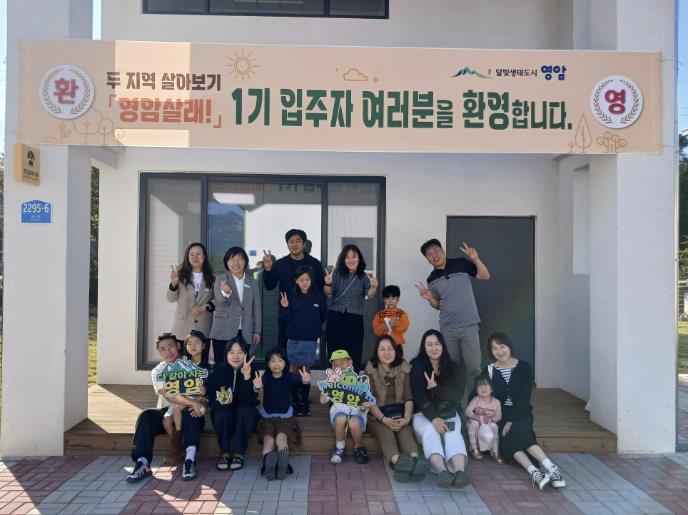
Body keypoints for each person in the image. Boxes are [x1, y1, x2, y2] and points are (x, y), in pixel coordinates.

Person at [483, 332, 566, 490]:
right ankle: (535, 473)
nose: (499, 351)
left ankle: (551, 468)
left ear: (509, 347)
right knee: (509, 439)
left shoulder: (524, 367)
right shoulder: (489, 370)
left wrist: (511, 420)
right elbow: (478, 392)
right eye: (494, 348)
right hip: (500, 415)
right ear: (491, 352)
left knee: (518, 430)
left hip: (521, 412)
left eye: (502, 346)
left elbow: (524, 399)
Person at [416, 239, 490, 404]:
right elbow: (438, 305)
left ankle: (476, 402)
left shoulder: (461, 264)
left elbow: (485, 276)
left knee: (473, 367)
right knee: (451, 367)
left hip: (469, 325)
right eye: (429, 254)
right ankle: (454, 403)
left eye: (436, 250)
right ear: (427, 259)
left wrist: (475, 259)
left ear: (442, 250)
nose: (434, 255)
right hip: (448, 328)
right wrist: (429, 298)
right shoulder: (431, 279)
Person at [125, 333, 207, 483]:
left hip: (189, 412)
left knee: (191, 412)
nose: (168, 352)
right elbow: (169, 394)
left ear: (178, 346)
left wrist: (196, 402)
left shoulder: (191, 364)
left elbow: (202, 391)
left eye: (171, 347)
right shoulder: (158, 371)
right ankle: (142, 463)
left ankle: (189, 460)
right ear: (159, 352)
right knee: (146, 415)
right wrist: (192, 402)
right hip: (167, 412)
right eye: (162, 349)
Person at [364, 336, 429, 482]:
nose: (386, 353)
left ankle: (415, 462)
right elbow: (369, 400)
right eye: (382, 349)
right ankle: (399, 462)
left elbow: (408, 397)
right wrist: (384, 419)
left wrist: (406, 418)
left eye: (390, 349)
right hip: (377, 415)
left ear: (396, 350)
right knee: (386, 434)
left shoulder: (404, 368)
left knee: (405, 433)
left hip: (400, 412)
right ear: (376, 352)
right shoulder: (370, 370)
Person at [410, 329, 470, 488]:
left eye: (437, 344)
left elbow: (457, 395)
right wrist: (434, 418)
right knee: (430, 430)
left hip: (448, 412)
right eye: (429, 344)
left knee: (452, 432)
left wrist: (437, 388)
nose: (433, 348)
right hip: (423, 413)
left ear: (443, 345)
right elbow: (419, 395)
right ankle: (442, 471)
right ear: (424, 347)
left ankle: (460, 471)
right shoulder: (417, 365)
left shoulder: (455, 368)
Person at [262, 229, 325, 349]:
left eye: (298, 241)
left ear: (304, 243)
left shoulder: (314, 263)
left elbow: (320, 289)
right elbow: (269, 286)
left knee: (307, 353)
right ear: (287, 244)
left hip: (308, 316)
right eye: (291, 242)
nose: (294, 244)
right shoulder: (280, 264)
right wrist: (268, 269)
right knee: (284, 350)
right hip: (287, 315)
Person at [253, 347, 310, 480]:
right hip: (267, 417)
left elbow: (301, 383)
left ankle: (283, 462)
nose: (277, 364)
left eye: (280, 360)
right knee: (268, 440)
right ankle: (267, 464)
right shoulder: (266, 377)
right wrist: (257, 387)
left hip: (285, 417)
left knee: (281, 438)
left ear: (285, 363)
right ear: (267, 364)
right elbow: (258, 386)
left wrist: (305, 381)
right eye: (273, 361)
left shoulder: (290, 377)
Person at [205, 337, 259, 471]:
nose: (236, 356)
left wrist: (247, 377)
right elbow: (211, 396)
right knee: (222, 412)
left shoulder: (252, 370)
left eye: (240, 352)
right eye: (232, 352)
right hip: (225, 414)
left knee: (245, 411)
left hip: (244, 416)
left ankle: (238, 453)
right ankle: (225, 453)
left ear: (246, 355)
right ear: (226, 354)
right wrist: (221, 401)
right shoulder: (219, 370)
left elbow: (250, 400)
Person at [279, 266, 328, 416]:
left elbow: (323, 315)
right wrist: (285, 307)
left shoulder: (318, 297)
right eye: (301, 280)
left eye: (307, 279)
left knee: (306, 372)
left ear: (311, 280)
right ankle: (294, 401)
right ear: (296, 281)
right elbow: (285, 318)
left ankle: (304, 402)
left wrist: (312, 328)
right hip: (293, 340)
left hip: (310, 341)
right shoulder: (291, 296)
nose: (304, 282)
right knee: (294, 372)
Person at [324, 244, 378, 370]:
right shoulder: (336, 274)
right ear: (343, 260)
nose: (351, 260)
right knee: (335, 351)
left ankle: (352, 380)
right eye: (347, 257)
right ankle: (335, 380)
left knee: (354, 352)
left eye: (354, 257)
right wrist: (327, 283)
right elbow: (327, 292)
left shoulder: (364, 276)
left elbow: (370, 295)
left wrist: (374, 287)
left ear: (359, 259)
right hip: (335, 317)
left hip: (355, 319)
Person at [209, 247, 261, 364]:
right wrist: (226, 293)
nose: (236, 263)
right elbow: (220, 302)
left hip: (245, 330)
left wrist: (257, 330)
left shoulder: (252, 282)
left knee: (243, 365)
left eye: (239, 259)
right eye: (232, 260)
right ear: (227, 262)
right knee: (221, 365)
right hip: (223, 329)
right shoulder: (221, 279)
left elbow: (256, 308)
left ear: (245, 262)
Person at [168, 330, 211, 465]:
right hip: (184, 400)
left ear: (204, 345)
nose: (193, 346)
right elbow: (173, 390)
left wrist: (204, 394)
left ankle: (186, 453)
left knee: (190, 412)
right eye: (189, 343)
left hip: (201, 404)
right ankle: (178, 445)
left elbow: (211, 395)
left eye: (196, 343)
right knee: (179, 410)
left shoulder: (210, 368)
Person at [320, 349, 369, 465]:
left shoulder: (359, 380)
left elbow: (365, 401)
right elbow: (322, 400)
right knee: (341, 418)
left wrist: (364, 405)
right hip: (339, 412)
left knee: (353, 422)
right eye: (336, 364)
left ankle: (359, 447)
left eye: (342, 362)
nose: (340, 366)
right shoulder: (332, 382)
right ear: (333, 367)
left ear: (350, 363)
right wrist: (329, 385)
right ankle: (339, 448)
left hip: (356, 413)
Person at [166, 243, 215, 347]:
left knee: (201, 357)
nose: (195, 257)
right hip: (182, 327)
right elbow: (170, 299)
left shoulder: (212, 277)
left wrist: (203, 308)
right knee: (182, 356)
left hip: (204, 327)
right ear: (187, 257)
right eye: (191, 254)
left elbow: (218, 300)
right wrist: (174, 283)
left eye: (198, 254)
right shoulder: (180, 275)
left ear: (204, 256)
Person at [465, 376, 503, 463]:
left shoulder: (496, 402)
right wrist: (476, 417)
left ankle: (495, 451)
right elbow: (467, 411)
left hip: (489, 424)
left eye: (486, 386)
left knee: (494, 427)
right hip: (478, 423)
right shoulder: (476, 400)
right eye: (480, 387)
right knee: (473, 424)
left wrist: (490, 421)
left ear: (491, 389)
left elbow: (498, 416)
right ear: (476, 391)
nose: (483, 389)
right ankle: (474, 448)